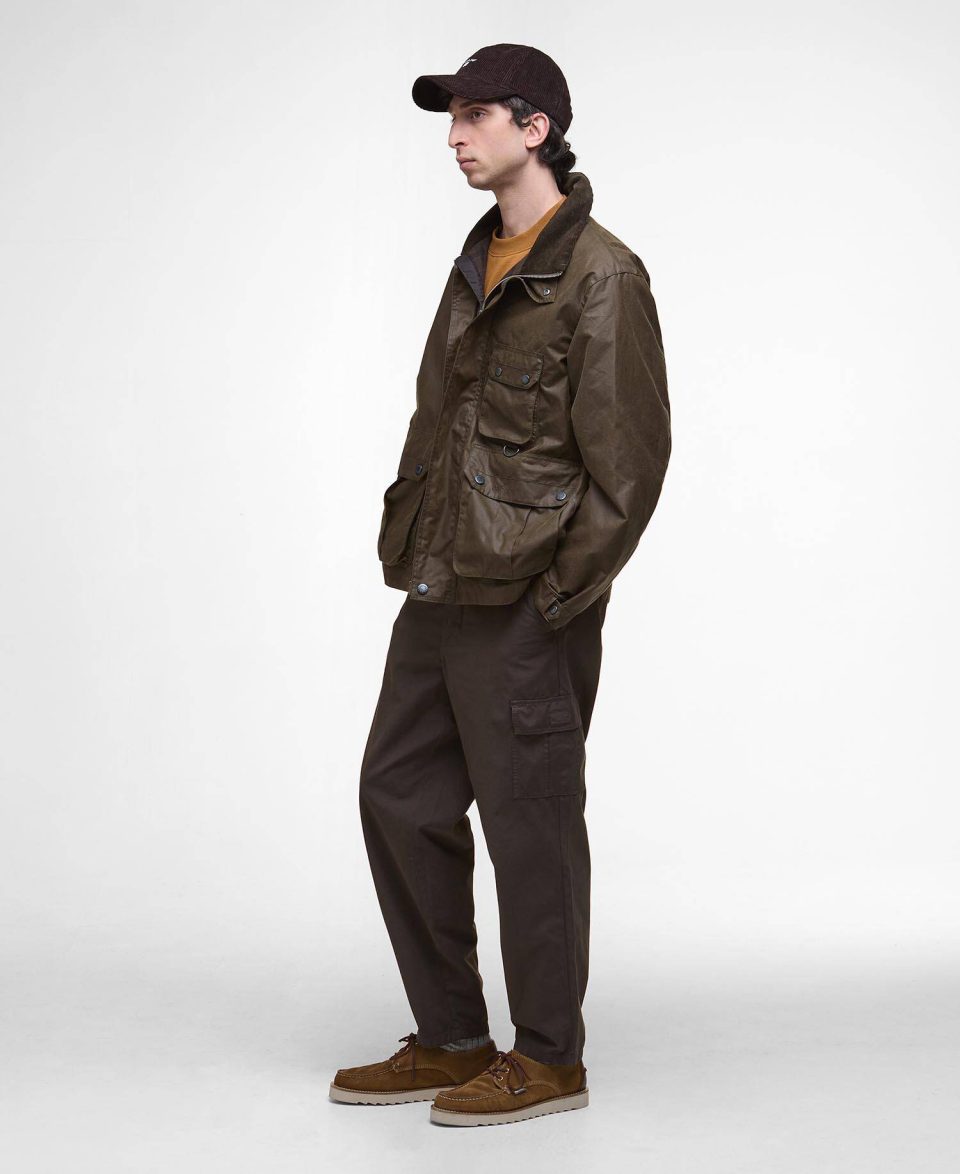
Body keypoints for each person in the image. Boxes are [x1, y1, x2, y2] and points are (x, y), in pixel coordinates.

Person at [329, 42, 671, 1128]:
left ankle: (551, 1059)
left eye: (475, 115)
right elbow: (443, 424)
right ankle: (450, 1036)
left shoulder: (602, 276)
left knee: (530, 823)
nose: (454, 136)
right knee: (397, 794)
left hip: (526, 601)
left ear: (536, 128)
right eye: (451, 116)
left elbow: (629, 469)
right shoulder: (478, 260)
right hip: (440, 586)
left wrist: (553, 601)